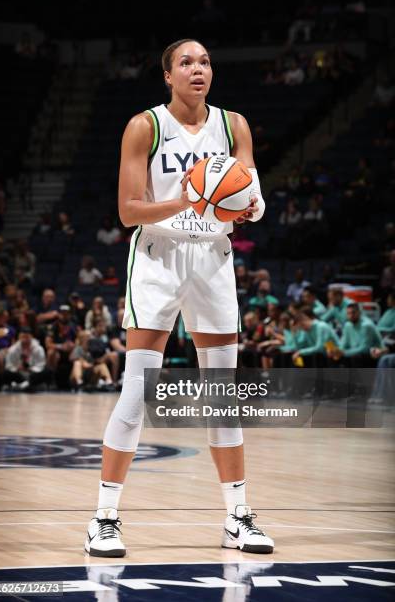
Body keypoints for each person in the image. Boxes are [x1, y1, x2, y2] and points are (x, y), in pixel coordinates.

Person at [85, 39, 273, 558]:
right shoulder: (145, 126)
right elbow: (128, 210)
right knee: (137, 390)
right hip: (159, 257)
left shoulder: (234, 125)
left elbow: (252, 203)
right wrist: (188, 200)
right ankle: (104, 518)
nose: (198, 69)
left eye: (206, 61)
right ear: (167, 75)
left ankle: (237, 516)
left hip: (212, 258)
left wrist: (247, 205)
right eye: (186, 62)